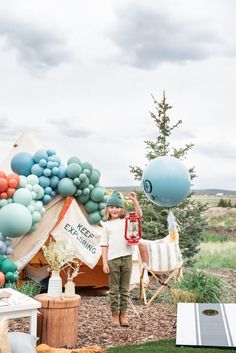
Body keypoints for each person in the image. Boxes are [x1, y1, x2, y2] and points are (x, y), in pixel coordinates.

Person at [100, 190, 142, 327]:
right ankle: (114, 315)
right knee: (114, 289)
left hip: (127, 257)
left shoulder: (127, 221)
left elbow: (139, 215)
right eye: (112, 207)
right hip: (113, 260)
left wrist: (134, 200)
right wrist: (104, 262)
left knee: (124, 289)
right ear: (108, 209)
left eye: (117, 207)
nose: (114, 209)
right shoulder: (106, 226)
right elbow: (104, 245)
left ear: (122, 208)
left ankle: (123, 314)